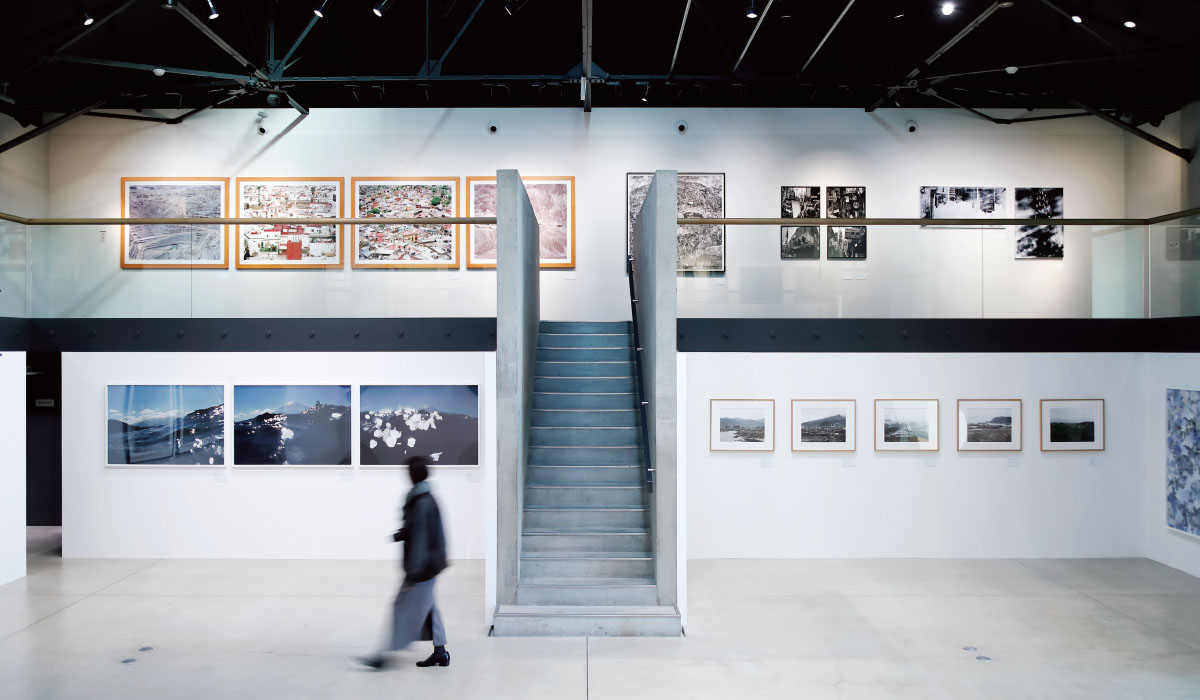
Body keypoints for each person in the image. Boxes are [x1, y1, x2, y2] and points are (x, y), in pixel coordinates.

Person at [357, 455, 450, 670]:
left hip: (423, 568)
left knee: (401, 607)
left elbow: (421, 540)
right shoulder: (423, 497)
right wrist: (402, 534)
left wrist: (413, 575)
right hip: (430, 565)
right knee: (430, 608)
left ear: (413, 474)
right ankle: (440, 652)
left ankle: (383, 656)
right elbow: (418, 530)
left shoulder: (422, 502)